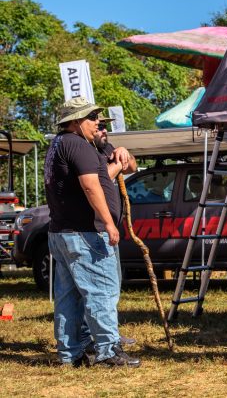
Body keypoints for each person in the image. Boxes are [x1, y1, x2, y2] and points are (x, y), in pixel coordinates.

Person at [45, 97, 140, 368]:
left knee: (69, 296)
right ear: (75, 121)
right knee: (102, 292)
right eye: (91, 118)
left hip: (64, 232)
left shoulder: (61, 144)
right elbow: (91, 186)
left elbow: (127, 167)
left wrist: (122, 152)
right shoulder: (76, 144)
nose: (97, 122)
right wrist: (109, 223)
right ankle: (109, 352)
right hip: (86, 233)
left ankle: (70, 353)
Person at [93, 114, 137, 347]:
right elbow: (99, 181)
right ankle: (104, 339)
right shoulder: (87, 151)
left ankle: (110, 333)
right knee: (103, 288)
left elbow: (133, 166)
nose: (103, 130)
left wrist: (123, 152)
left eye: (104, 127)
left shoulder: (106, 148)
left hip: (109, 229)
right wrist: (118, 164)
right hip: (96, 228)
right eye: (99, 126)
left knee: (112, 285)